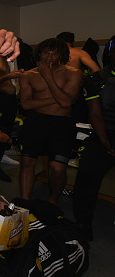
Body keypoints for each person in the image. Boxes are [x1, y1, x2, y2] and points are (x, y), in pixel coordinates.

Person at [18, 38, 83, 205]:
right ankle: (25, 203)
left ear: (62, 55)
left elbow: (66, 104)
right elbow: (26, 104)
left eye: (54, 54)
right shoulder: (28, 75)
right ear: (39, 53)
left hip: (61, 124)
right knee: (27, 162)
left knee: (58, 168)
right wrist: (59, 99)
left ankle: (53, 200)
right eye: (46, 52)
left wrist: (48, 76)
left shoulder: (73, 73)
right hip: (36, 121)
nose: (49, 57)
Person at [73, 44, 115, 241]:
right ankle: (83, 222)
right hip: (103, 134)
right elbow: (95, 113)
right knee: (87, 173)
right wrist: (106, 142)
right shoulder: (95, 80)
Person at [0, 52, 24, 182]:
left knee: (7, 131)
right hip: (0, 99)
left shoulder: (8, 59)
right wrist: (8, 76)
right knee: (0, 131)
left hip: (9, 100)